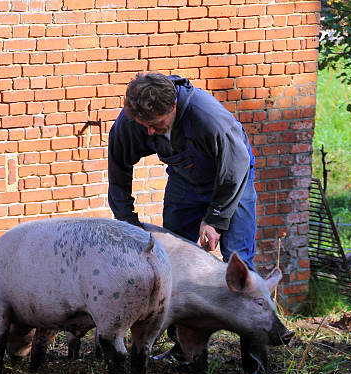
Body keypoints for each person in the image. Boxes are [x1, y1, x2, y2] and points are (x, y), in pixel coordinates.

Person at [108, 72, 257, 270]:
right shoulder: (130, 123)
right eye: (145, 126)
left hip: (233, 178)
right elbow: (117, 175)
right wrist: (128, 224)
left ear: (173, 106)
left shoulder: (207, 117)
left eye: (156, 124)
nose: (150, 132)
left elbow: (235, 167)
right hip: (184, 178)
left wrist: (215, 220)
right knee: (171, 257)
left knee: (238, 263)